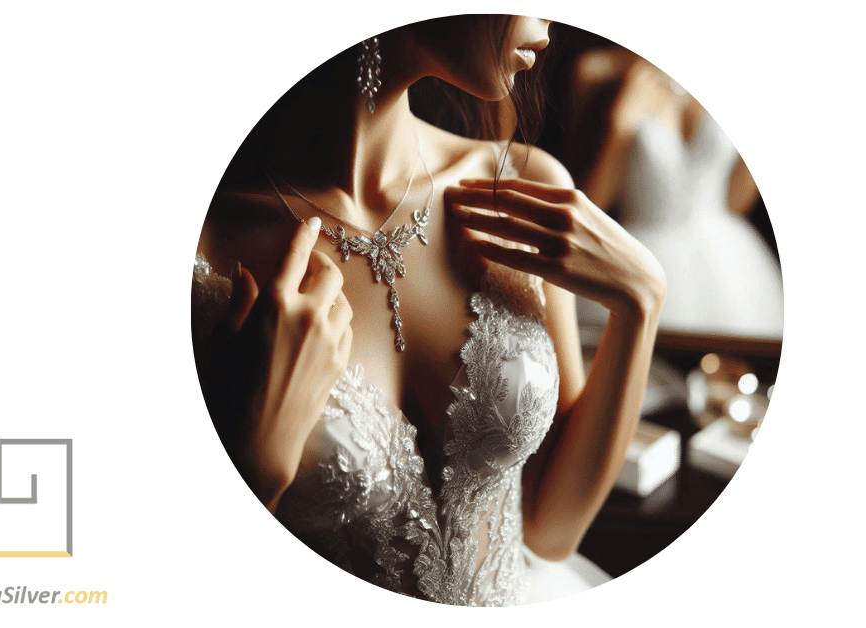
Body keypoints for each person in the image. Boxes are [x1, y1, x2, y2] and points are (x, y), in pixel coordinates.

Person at [192, 16, 666, 606]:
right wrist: (254, 472)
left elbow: (551, 531)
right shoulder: (205, 253)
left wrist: (640, 303)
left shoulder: (521, 184)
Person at [563, 46, 783, 339]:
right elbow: (590, 206)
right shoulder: (598, 72)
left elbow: (734, 203)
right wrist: (620, 128)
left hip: (731, 262)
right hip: (642, 251)